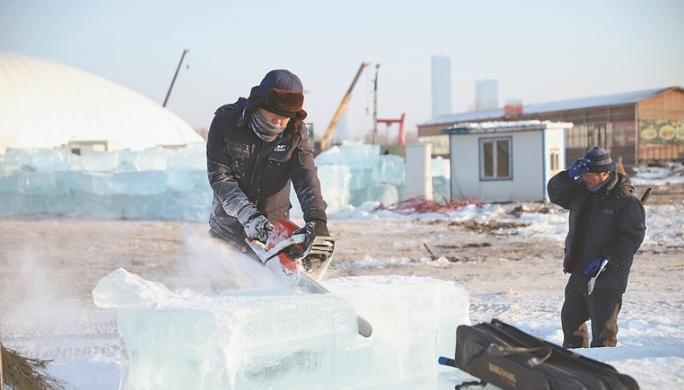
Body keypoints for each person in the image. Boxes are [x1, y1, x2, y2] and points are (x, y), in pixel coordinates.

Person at [206, 69, 332, 266]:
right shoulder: (226, 122)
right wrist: (249, 217)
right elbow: (220, 178)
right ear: (259, 103)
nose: (279, 121)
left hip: (273, 235)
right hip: (227, 229)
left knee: (267, 294)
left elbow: (305, 174)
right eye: (274, 113)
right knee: (225, 290)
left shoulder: (295, 132)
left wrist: (317, 218)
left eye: (286, 116)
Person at [547, 146, 646, 348]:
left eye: (588, 173)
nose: (584, 177)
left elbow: (633, 237)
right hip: (579, 271)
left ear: (605, 173)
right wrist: (567, 175)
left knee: (603, 334)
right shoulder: (581, 192)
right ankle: (575, 363)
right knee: (570, 322)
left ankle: (602, 373)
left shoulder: (625, 201)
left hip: (607, 275)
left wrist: (607, 260)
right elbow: (555, 194)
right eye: (582, 172)